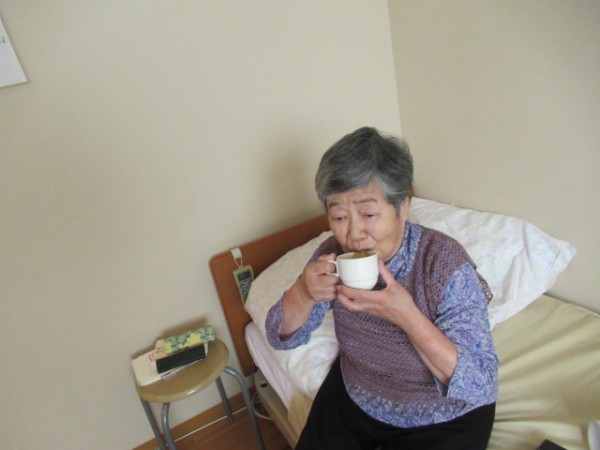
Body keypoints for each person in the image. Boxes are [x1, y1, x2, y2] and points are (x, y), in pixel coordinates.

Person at [265, 126, 498, 450]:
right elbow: (280, 336)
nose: (354, 234)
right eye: (339, 217)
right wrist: (303, 292)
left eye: (368, 214)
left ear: (403, 206)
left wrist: (406, 315)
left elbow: (480, 383)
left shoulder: (443, 263)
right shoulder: (332, 256)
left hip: (442, 417)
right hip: (356, 395)